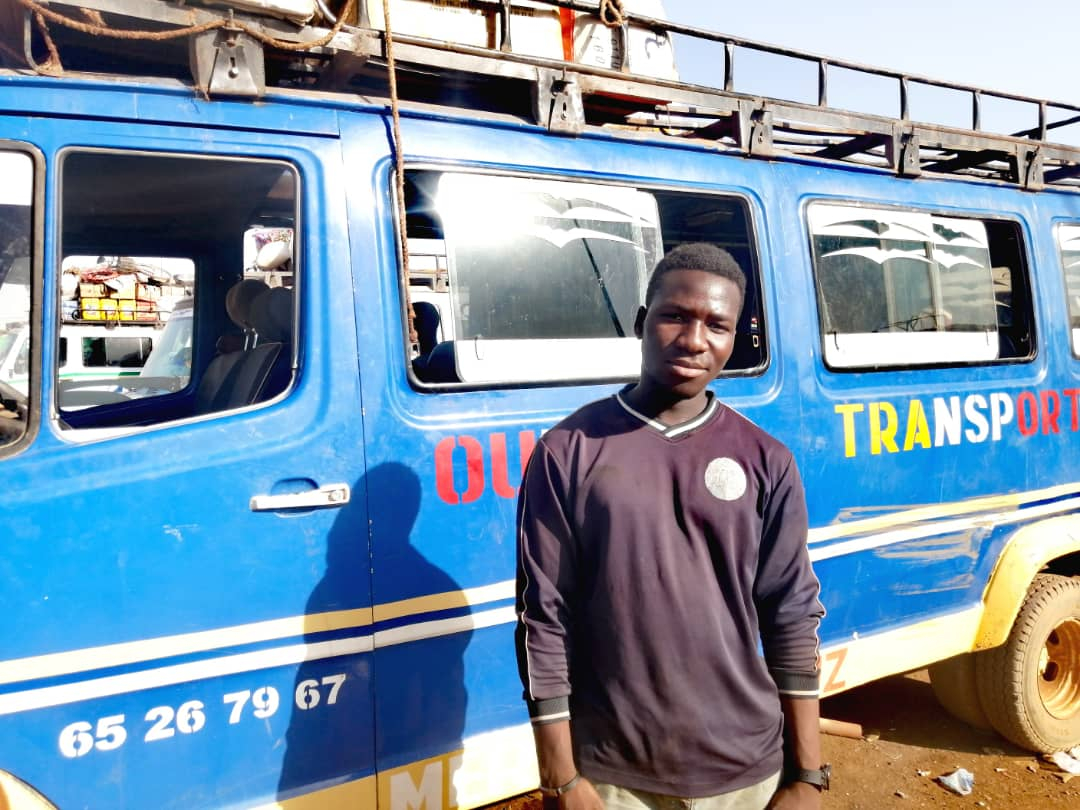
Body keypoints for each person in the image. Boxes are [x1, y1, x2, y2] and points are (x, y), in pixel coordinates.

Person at [515, 243, 827, 810]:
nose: (693, 340)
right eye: (675, 316)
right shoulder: (567, 451)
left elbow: (791, 612)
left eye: (716, 325)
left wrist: (807, 775)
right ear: (641, 322)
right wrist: (559, 777)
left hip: (746, 773)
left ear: (734, 338)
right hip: (614, 777)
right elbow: (544, 618)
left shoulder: (767, 459)